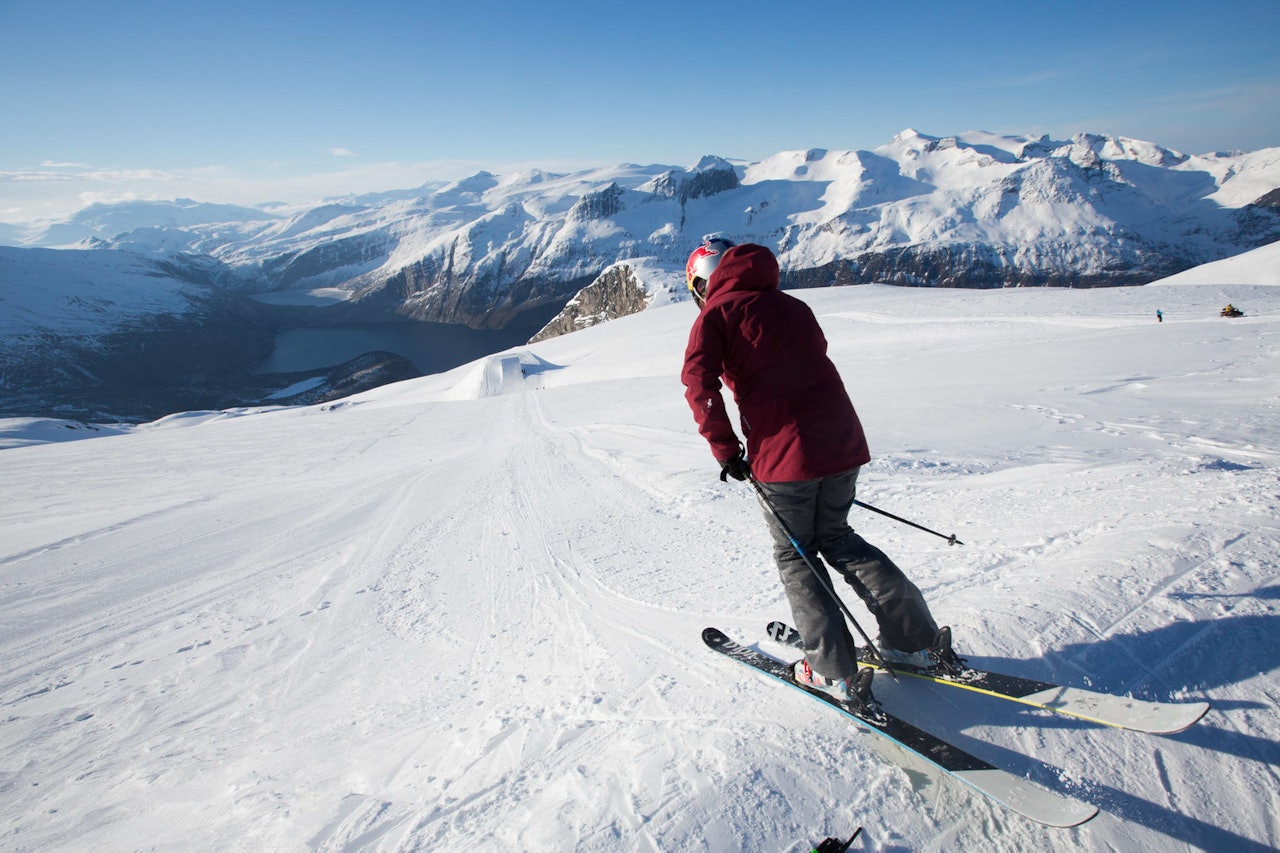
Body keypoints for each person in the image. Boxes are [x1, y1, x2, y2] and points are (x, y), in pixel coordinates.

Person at [680, 237, 953, 702]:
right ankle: (917, 643)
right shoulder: (793, 306)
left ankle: (831, 669)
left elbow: (697, 384)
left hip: (785, 456)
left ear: (703, 282)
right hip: (842, 443)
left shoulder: (716, 316)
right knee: (839, 539)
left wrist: (726, 451)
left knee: (797, 553)